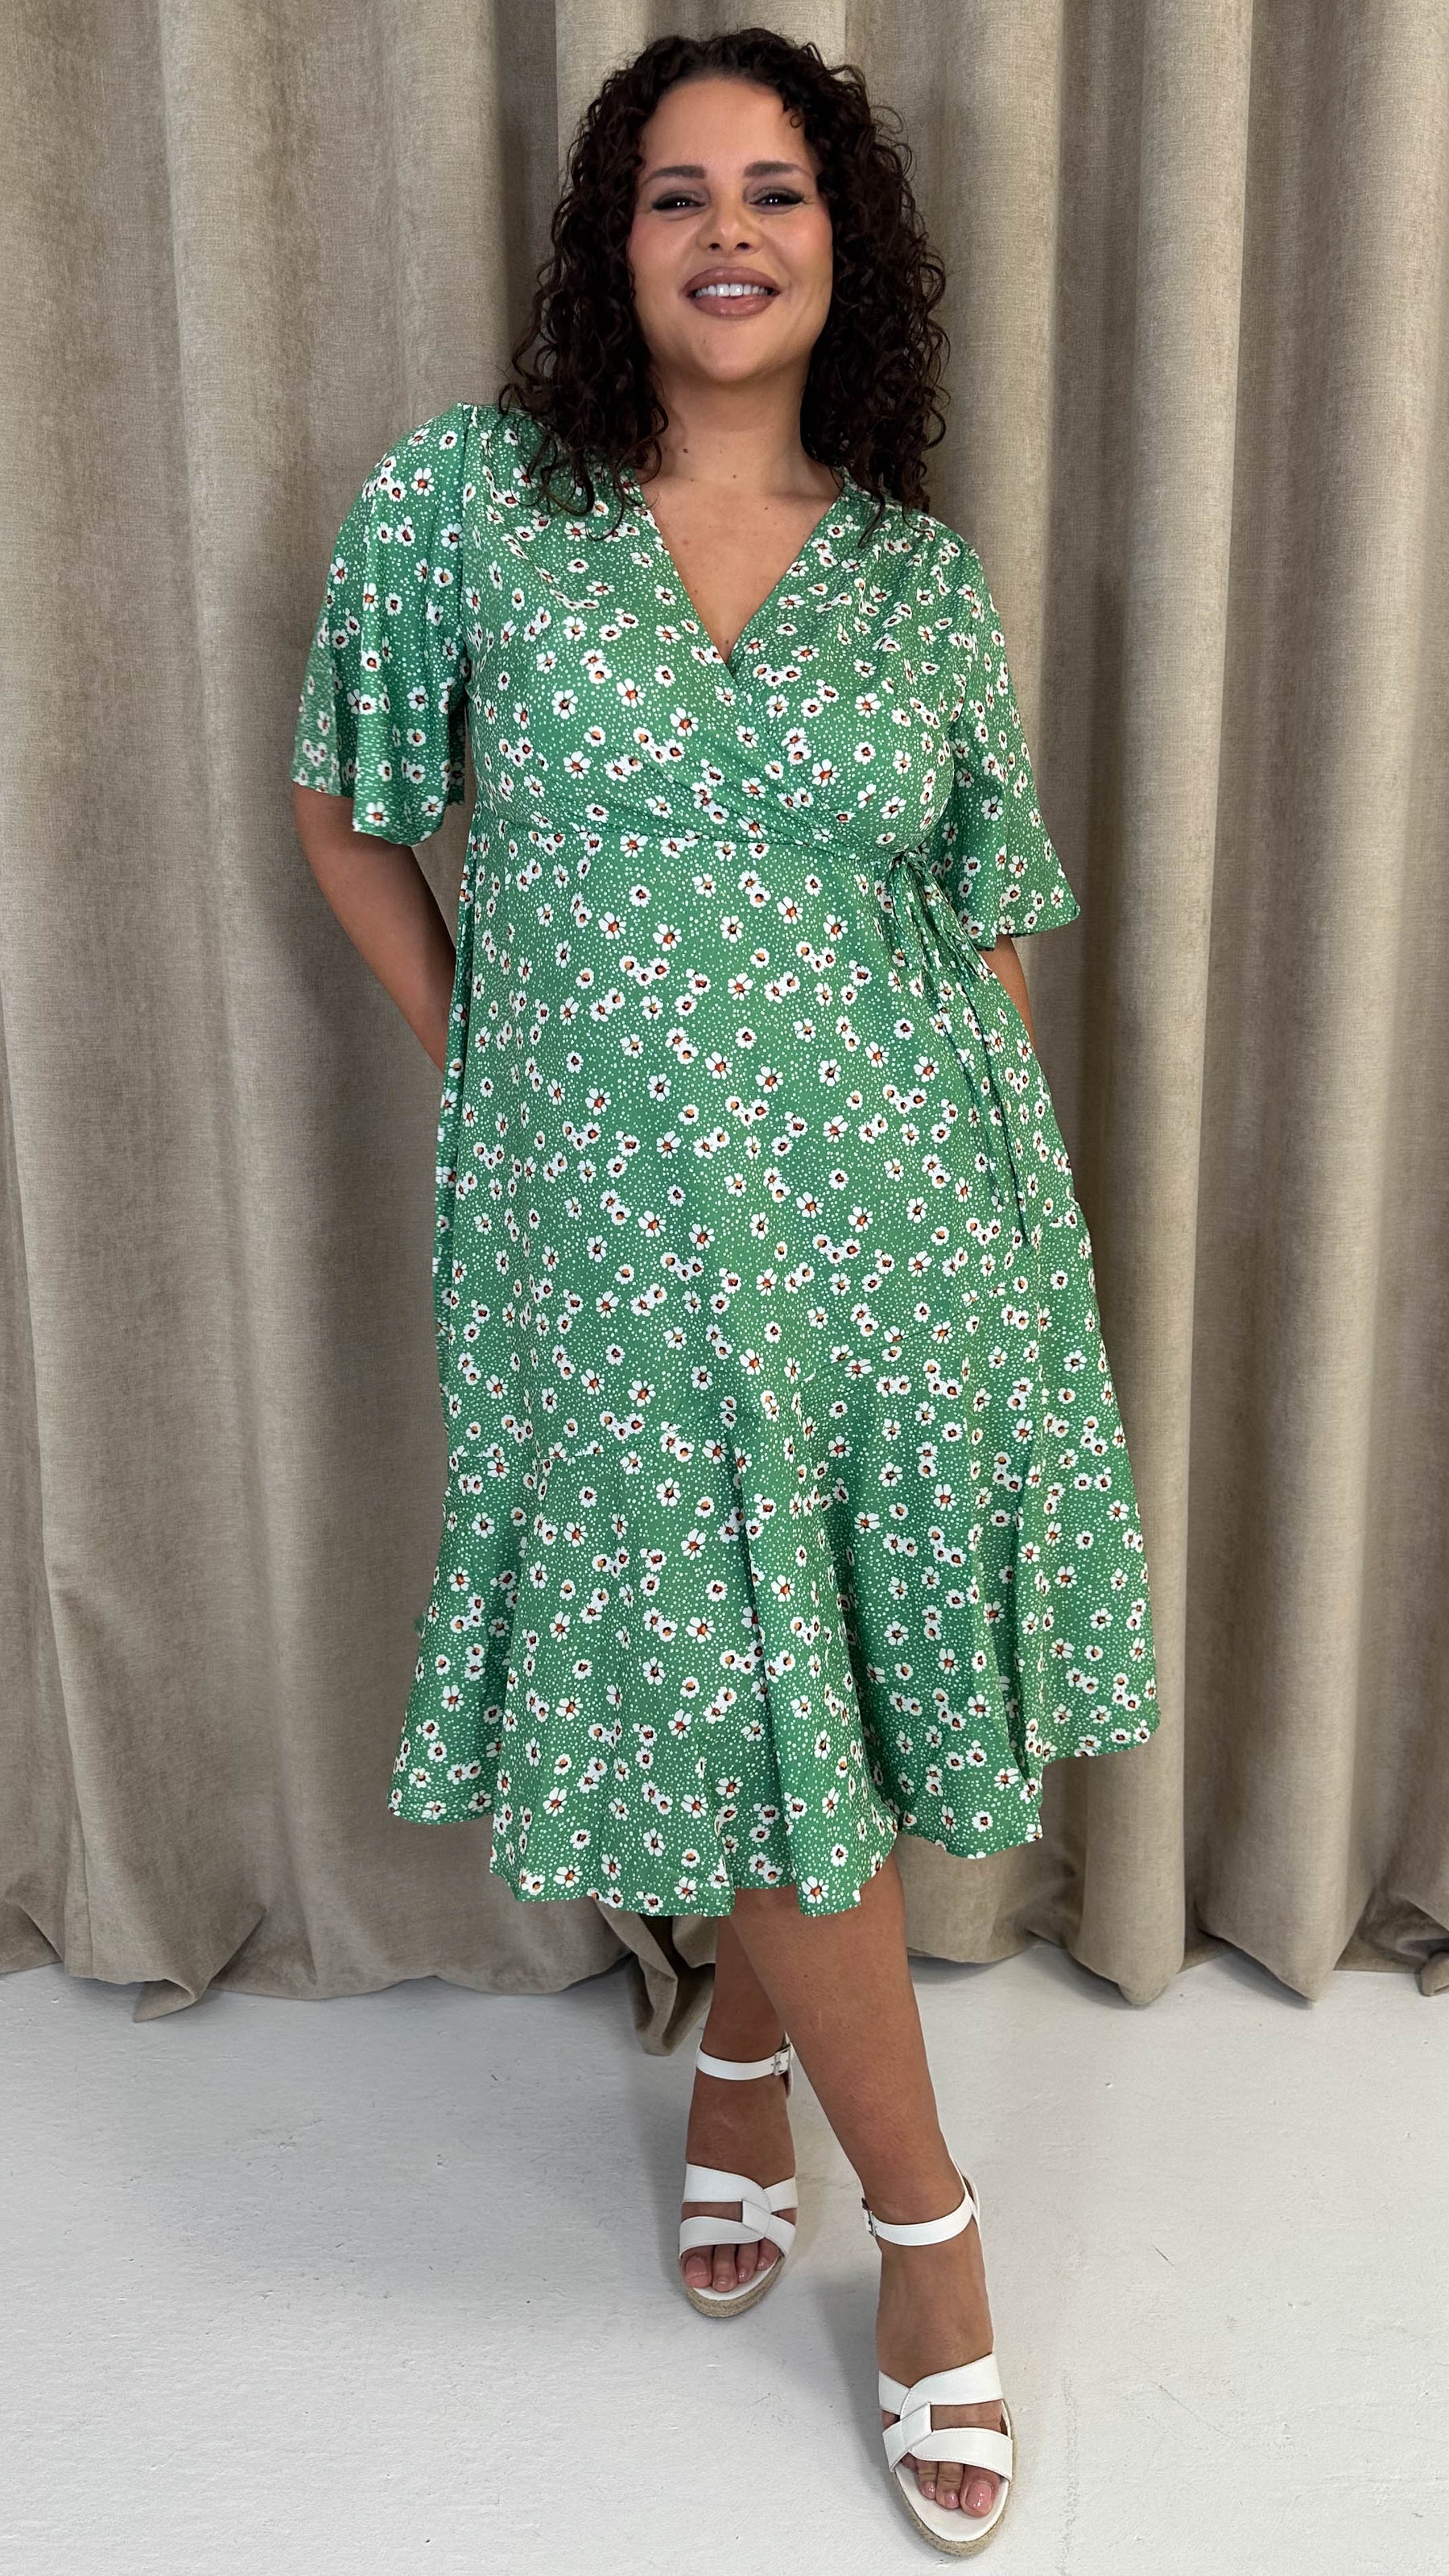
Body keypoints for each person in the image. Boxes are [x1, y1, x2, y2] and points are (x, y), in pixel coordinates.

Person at [291, 27, 1159, 2552]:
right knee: (767, 1696)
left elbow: (988, 928)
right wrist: (504, 1070)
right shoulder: (477, 499)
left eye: (775, 189)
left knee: (831, 1692)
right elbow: (347, 807)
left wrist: (999, 1240)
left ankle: (752, 2083)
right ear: (616, 244)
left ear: (840, 244)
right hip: (619, 1244)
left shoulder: (916, 580)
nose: (729, 231)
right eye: (675, 194)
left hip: (913, 1233)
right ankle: (936, 2242)